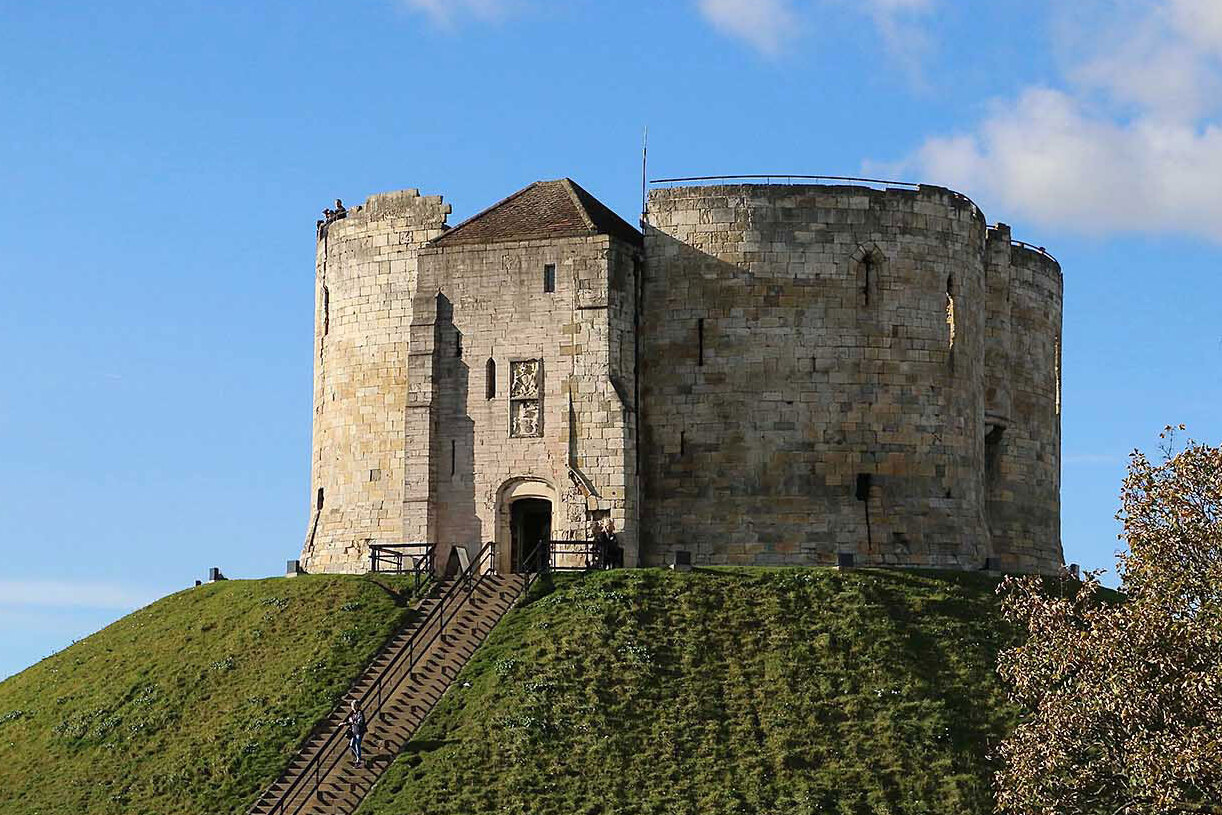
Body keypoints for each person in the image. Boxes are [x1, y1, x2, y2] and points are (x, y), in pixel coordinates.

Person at [345, 700, 366, 768]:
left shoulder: (360, 713)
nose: (352, 707)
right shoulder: (354, 714)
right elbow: (352, 722)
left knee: (357, 744)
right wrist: (345, 723)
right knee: (351, 744)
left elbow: (360, 722)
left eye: (354, 706)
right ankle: (358, 757)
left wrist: (352, 721)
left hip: (359, 731)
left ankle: (358, 760)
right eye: (352, 706)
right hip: (354, 731)